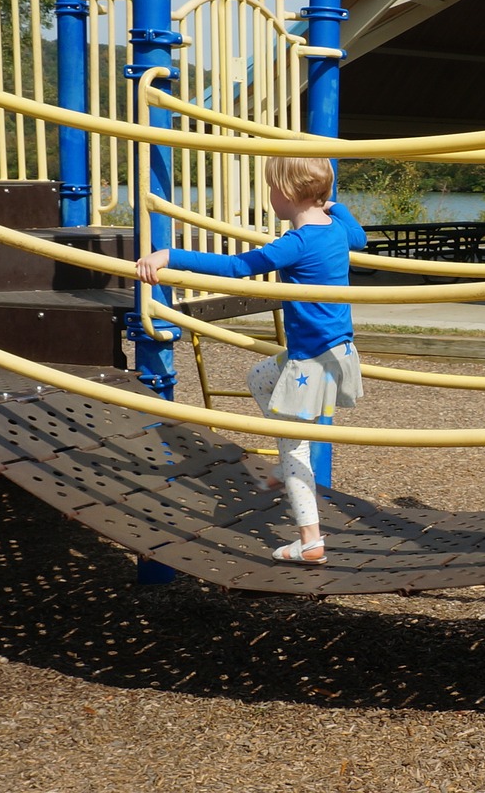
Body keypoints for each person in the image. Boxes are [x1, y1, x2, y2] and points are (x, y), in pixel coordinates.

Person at [136, 156, 366, 565]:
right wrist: (334, 206)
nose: (270, 196)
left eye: (272, 189)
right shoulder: (335, 231)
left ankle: (310, 540)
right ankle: (285, 457)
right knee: (259, 376)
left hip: (309, 363)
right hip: (337, 353)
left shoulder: (296, 243)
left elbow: (237, 266)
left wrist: (169, 256)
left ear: (289, 193)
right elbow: (359, 237)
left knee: (293, 449)